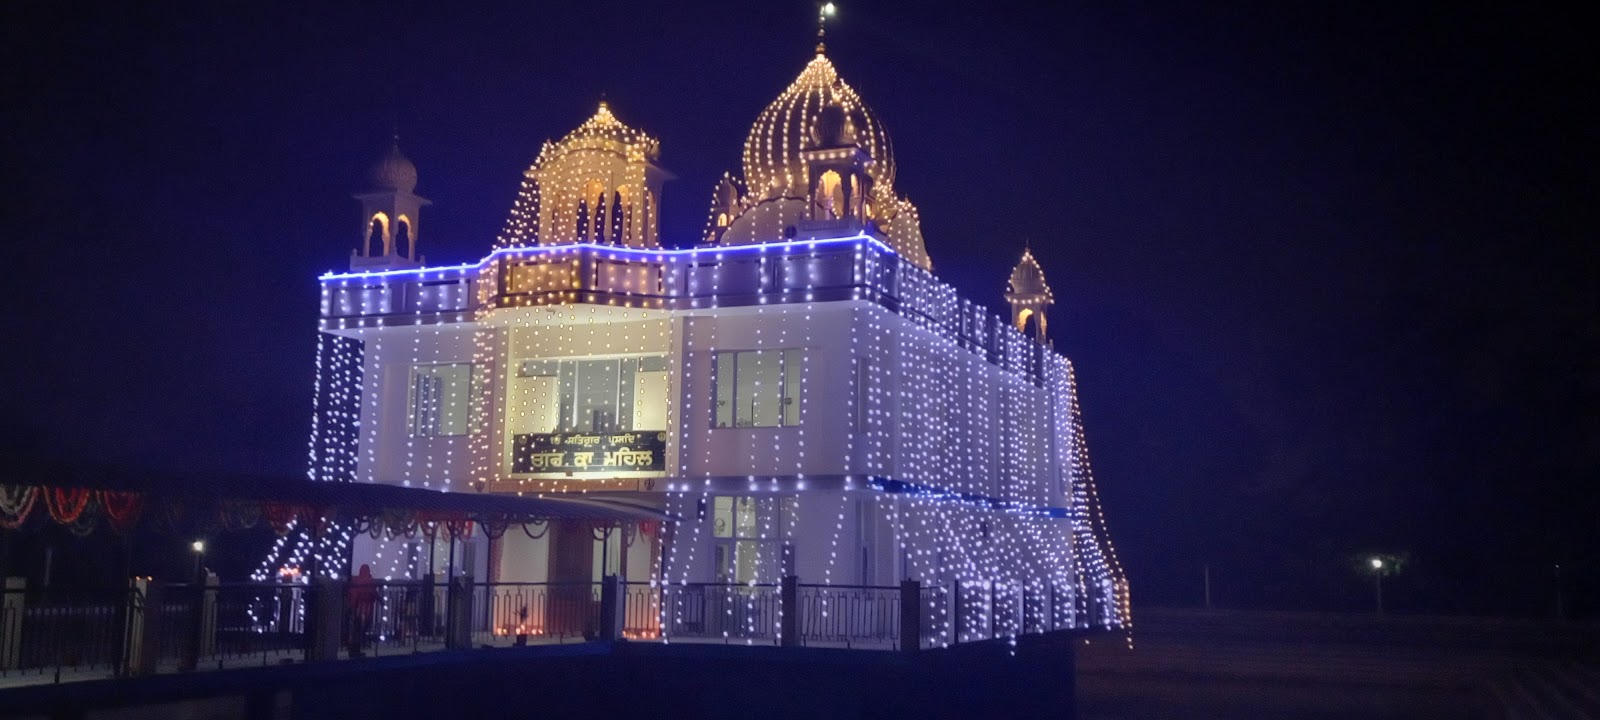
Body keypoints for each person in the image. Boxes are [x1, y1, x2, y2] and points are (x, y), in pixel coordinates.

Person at [347, 564, 378, 657]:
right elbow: (373, 592)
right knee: (361, 629)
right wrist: (380, 600)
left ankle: (353, 649)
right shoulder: (369, 581)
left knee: (356, 629)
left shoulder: (356, 581)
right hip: (366, 609)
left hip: (357, 609)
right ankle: (357, 649)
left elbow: (352, 594)